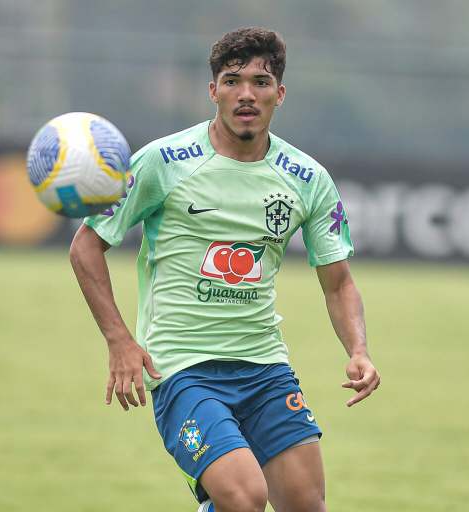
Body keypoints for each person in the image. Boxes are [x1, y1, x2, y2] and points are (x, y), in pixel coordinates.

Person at [69, 27, 380, 512]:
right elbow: (85, 247)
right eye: (232, 81)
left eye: (260, 81)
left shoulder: (308, 179)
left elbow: (338, 283)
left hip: (264, 367)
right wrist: (119, 340)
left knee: (307, 505)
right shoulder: (162, 162)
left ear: (280, 93)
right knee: (244, 497)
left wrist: (358, 349)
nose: (246, 94)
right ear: (213, 91)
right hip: (182, 369)